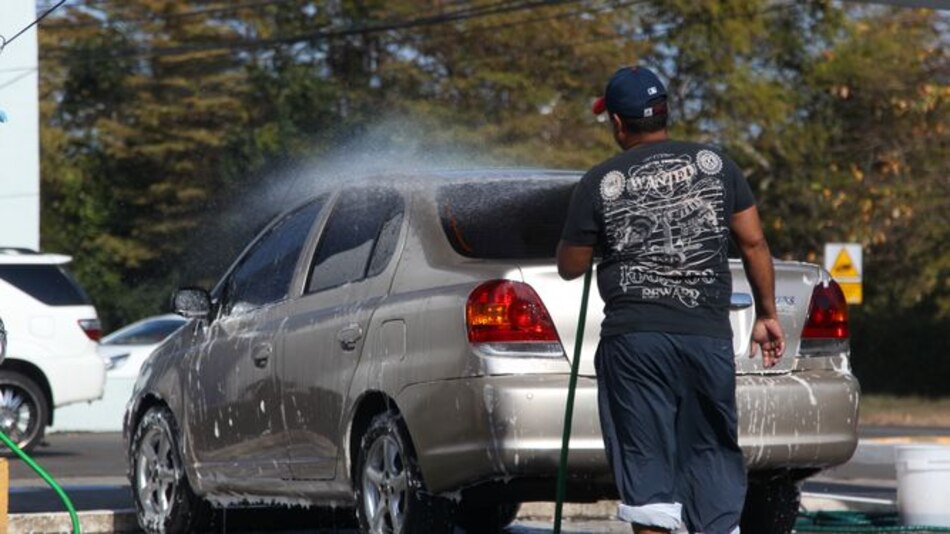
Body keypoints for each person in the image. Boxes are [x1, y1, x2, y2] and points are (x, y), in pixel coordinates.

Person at [557, 66, 786, 534]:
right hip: (705, 338)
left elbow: (571, 266)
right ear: (664, 113)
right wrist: (766, 314)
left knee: (647, 470)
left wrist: (587, 237)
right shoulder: (718, 166)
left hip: (635, 344)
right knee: (710, 455)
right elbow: (754, 243)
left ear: (618, 123)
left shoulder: (600, 181)